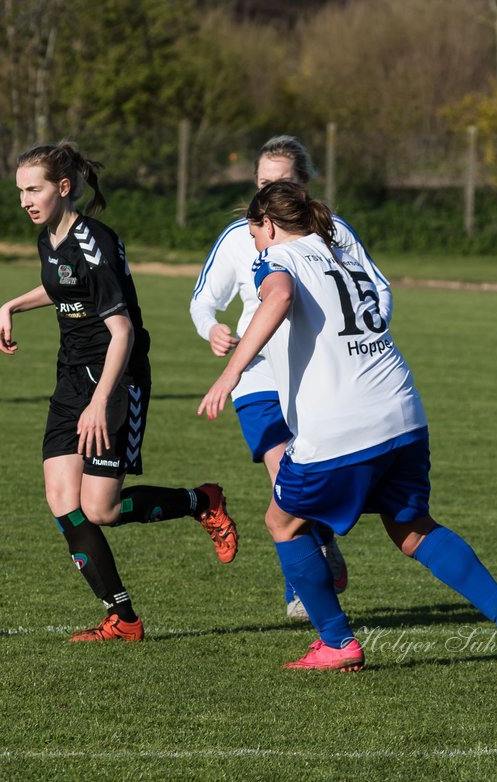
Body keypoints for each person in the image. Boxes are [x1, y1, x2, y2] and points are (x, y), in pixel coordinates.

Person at [198, 181, 497, 676]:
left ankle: (337, 642)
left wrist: (232, 372)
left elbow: (277, 296)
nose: (254, 244)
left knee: (283, 522)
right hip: (402, 409)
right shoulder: (344, 253)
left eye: (255, 234)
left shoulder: (277, 260)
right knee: (411, 527)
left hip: (342, 423)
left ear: (269, 225)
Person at [0, 140, 239, 642]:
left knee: (101, 509)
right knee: (63, 499)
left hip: (116, 377)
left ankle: (201, 501)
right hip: (70, 378)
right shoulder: (50, 237)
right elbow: (64, 285)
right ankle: (122, 618)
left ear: (63, 188)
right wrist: (13, 304)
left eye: (33, 189)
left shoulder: (96, 243)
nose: (25, 200)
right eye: (20, 191)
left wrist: (101, 402)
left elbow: (122, 331)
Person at [190, 134, 392, 621]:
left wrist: (366, 335)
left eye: (281, 182)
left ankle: (319, 569)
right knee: (285, 481)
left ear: (304, 185)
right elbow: (203, 300)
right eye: (262, 183)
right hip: (257, 376)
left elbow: (376, 291)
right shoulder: (241, 235)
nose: (269, 193)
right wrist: (213, 328)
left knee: (301, 490)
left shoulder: (335, 232)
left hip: (313, 378)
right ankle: (303, 588)